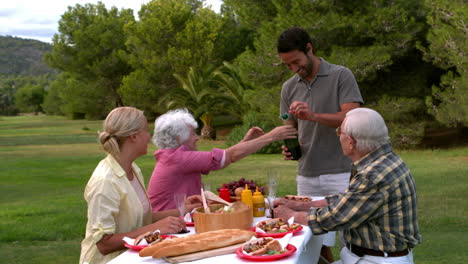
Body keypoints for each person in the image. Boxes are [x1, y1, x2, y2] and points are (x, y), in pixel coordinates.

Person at [273, 108, 422, 264]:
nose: (338, 136)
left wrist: (290, 215)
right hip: (374, 257)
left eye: (340, 132)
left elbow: (335, 218)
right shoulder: (383, 160)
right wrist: (300, 205)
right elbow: (349, 200)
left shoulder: (372, 175)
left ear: (351, 142)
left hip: (375, 260)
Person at [277, 27, 364, 262]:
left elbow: (353, 117)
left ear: (309, 48)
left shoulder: (341, 75)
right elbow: (291, 128)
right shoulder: (288, 87)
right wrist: (289, 146)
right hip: (307, 173)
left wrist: (313, 115)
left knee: (350, 239)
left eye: (296, 62)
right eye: (288, 65)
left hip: (342, 170)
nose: (294, 69)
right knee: (310, 241)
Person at [80, 107, 202, 264]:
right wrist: (155, 229)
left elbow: (140, 217)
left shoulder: (132, 169)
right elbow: (104, 244)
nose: (149, 136)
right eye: (146, 130)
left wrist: (182, 210)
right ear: (133, 137)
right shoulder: (105, 181)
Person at [147, 108, 298, 211]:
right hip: (169, 226)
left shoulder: (173, 157)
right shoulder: (179, 158)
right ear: (179, 138)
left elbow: (225, 157)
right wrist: (272, 136)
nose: (198, 137)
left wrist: (244, 142)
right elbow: (229, 157)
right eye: (193, 134)